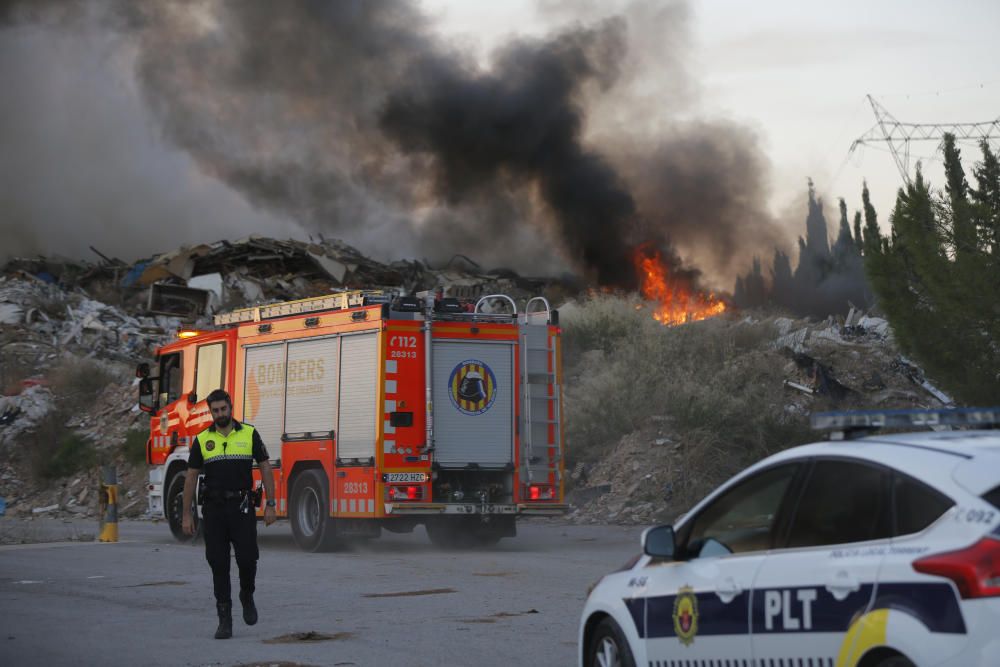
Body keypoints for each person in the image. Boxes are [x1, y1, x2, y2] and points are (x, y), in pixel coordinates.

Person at [182, 389, 276, 639]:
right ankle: (225, 620)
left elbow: (265, 467)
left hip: (242, 508)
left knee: (247, 560)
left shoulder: (249, 433)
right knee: (218, 564)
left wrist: (271, 503)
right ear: (211, 412)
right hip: (214, 512)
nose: (220, 414)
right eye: (216, 411)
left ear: (231, 407)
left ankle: (247, 595)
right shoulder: (202, 439)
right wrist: (187, 515)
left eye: (224, 409)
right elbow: (191, 478)